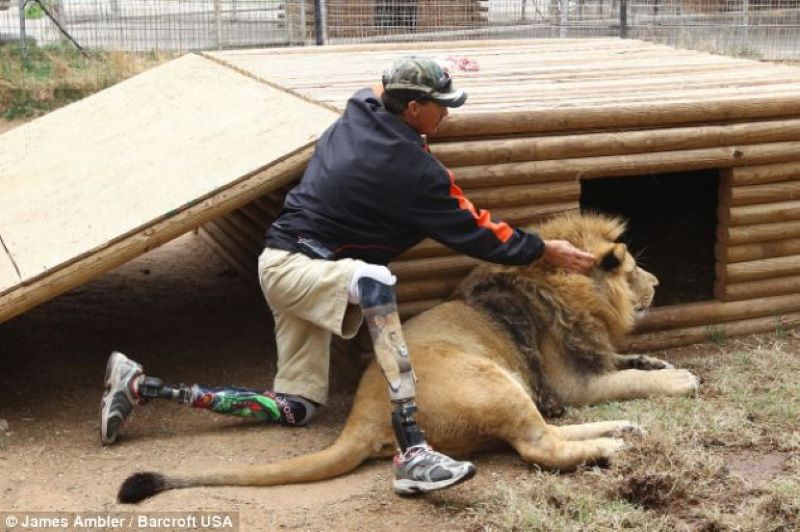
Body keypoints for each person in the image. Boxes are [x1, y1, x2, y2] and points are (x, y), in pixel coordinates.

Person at [100, 55, 596, 495]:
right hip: (303, 269)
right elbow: (477, 232)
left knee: (297, 406)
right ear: (412, 109)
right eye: (440, 103)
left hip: (281, 263)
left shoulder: (360, 109)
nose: (448, 112)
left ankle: (143, 385)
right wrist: (543, 250)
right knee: (375, 282)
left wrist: (441, 67)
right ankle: (413, 452)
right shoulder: (413, 171)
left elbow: (377, 86)